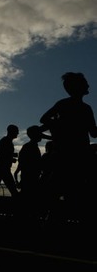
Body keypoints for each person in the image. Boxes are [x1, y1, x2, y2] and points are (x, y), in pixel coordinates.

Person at [38, 72, 97, 218]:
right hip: (77, 156)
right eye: (85, 83)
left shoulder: (63, 104)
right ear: (78, 87)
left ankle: (50, 223)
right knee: (74, 193)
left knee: (57, 192)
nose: (88, 85)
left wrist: (58, 125)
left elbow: (44, 119)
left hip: (64, 155)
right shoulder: (85, 108)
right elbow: (94, 133)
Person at [0, 124, 20, 197]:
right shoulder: (5, 140)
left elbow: (3, 154)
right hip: (2, 168)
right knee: (12, 189)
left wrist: (11, 158)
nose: (17, 133)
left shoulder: (7, 141)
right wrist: (11, 157)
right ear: (12, 131)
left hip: (3, 168)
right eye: (16, 131)